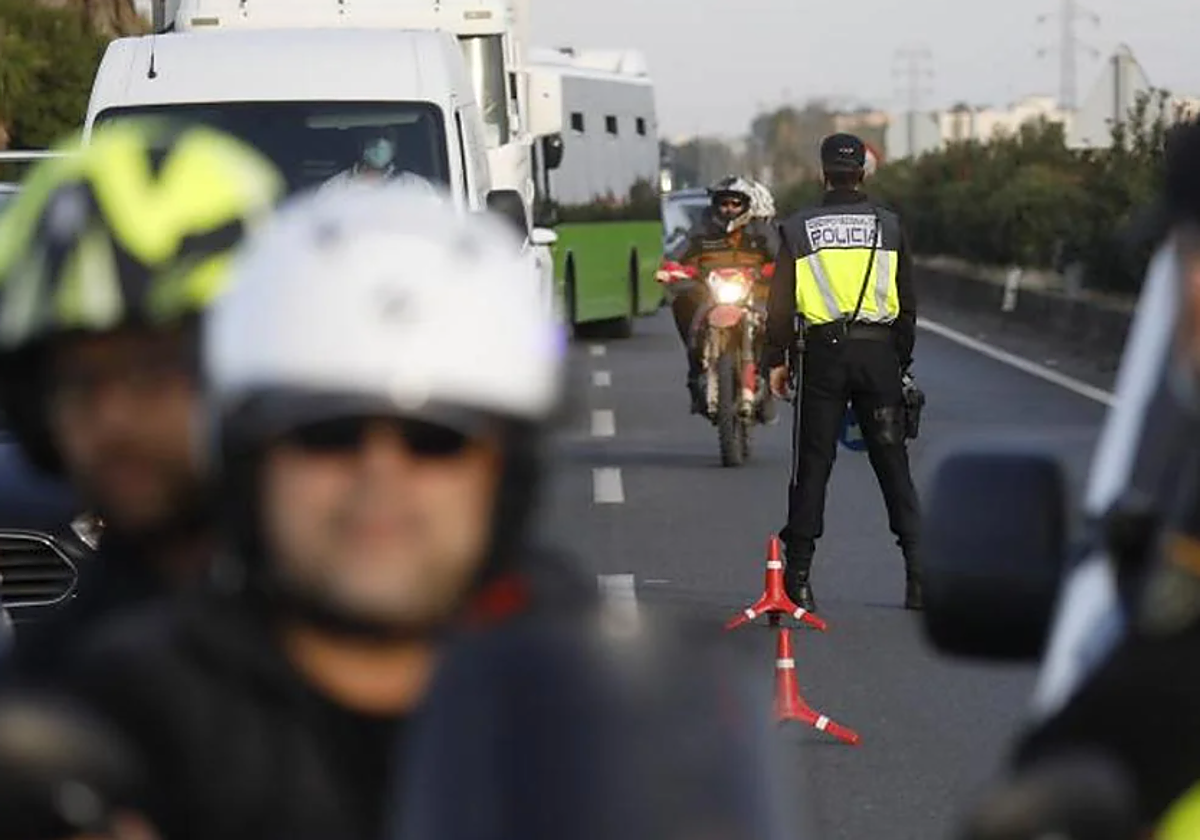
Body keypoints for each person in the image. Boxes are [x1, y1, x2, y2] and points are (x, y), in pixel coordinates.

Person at [49, 182, 598, 840]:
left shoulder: (592, 697)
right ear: (248, 463)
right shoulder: (119, 724)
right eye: (326, 435)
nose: (379, 476)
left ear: (505, 476)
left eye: (434, 440)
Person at [0, 120, 285, 680]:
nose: (112, 418)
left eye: (151, 371)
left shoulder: (376, 625)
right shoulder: (56, 679)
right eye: (77, 381)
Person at [764, 132, 922, 612]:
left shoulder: (799, 228)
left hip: (823, 358)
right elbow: (907, 305)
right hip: (879, 358)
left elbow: (779, 305)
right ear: (863, 173)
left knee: (812, 467)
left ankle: (798, 580)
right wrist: (900, 362)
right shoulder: (889, 226)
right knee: (893, 466)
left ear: (823, 173)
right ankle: (919, 578)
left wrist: (776, 360)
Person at [671, 176, 778, 413]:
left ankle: (771, 379)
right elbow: (677, 256)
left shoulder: (761, 231)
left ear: (746, 206)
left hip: (754, 297)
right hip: (710, 296)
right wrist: (672, 270)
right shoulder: (701, 230)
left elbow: (782, 259)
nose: (729, 209)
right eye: (724, 204)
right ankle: (696, 371)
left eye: (735, 204)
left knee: (778, 323)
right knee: (681, 302)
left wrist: (771, 272)